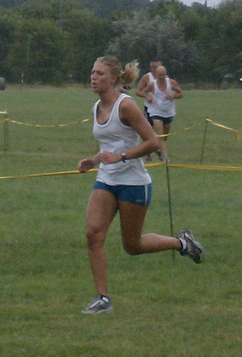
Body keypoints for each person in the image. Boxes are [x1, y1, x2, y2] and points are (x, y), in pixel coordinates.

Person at [77, 55, 202, 315]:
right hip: (106, 179)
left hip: (133, 182)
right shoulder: (96, 107)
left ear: (112, 78)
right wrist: (93, 160)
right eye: (92, 72)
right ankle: (103, 299)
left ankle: (181, 243)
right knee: (93, 235)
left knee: (132, 246)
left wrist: (121, 157)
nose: (93, 77)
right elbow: (107, 146)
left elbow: (153, 143)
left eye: (99, 73)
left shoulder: (126, 106)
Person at [135, 60, 182, 156]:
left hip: (167, 110)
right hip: (152, 109)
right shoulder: (147, 78)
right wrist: (147, 97)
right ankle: (162, 156)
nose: (161, 76)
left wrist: (173, 96)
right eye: (154, 68)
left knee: (164, 136)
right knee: (155, 133)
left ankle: (154, 145)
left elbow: (180, 93)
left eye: (163, 74)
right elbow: (139, 91)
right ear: (152, 69)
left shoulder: (169, 81)